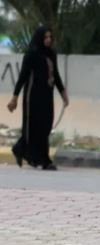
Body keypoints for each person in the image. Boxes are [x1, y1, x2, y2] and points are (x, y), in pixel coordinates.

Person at [7, 26, 69, 170]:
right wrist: (15, 97)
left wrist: (63, 93)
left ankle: (20, 149)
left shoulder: (51, 54)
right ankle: (43, 160)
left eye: (50, 37)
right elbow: (22, 76)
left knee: (46, 126)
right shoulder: (31, 54)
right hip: (32, 97)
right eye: (45, 37)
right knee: (33, 128)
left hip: (46, 96)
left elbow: (56, 75)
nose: (48, 40)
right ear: (40, 38)